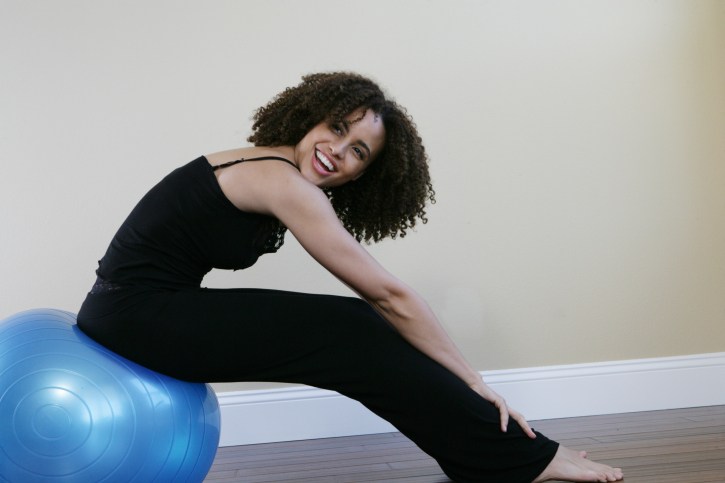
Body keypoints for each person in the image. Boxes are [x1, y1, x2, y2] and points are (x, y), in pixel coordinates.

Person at [77, 72, 623, 482]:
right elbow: (389, 294)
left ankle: (498, 454)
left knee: (354, 328)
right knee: (354, 327)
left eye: (357, 151)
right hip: (134, 315)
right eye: (335, 128)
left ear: (366, 173)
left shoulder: (268, 164)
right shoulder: (283, 182)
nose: (335, 151)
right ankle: (515, 458)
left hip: (132, 308)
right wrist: (473, 379)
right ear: (311, 116)